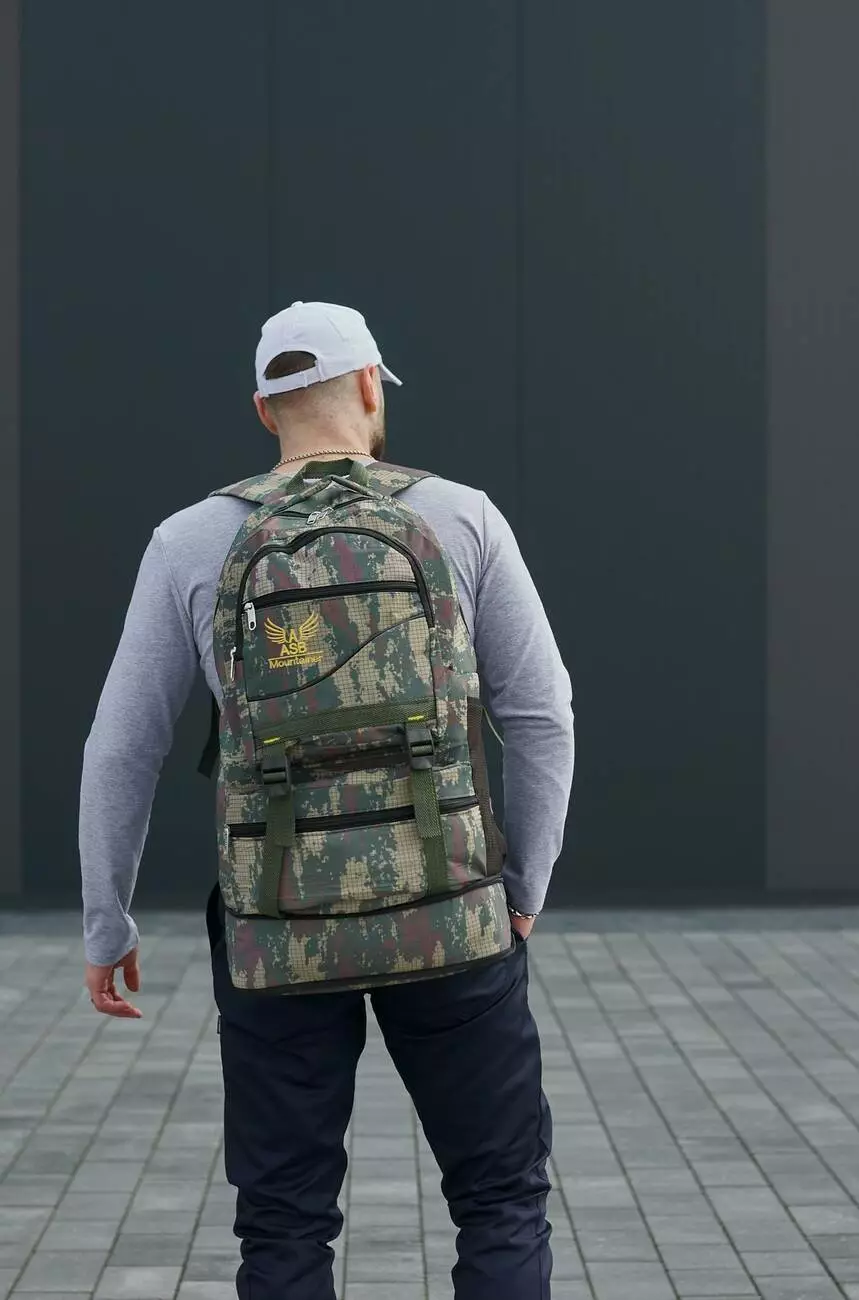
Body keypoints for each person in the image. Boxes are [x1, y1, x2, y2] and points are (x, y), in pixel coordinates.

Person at [80, 301, 574, 1300]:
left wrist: (107, 921)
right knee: (498, 1199)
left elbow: (122, 747)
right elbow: (541, 714)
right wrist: (519, 890)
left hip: (276, 926)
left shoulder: (189, 540)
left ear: (265, 410)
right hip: (451, 912)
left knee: (284, 1222)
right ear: (368, 388)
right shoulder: (462, 516)